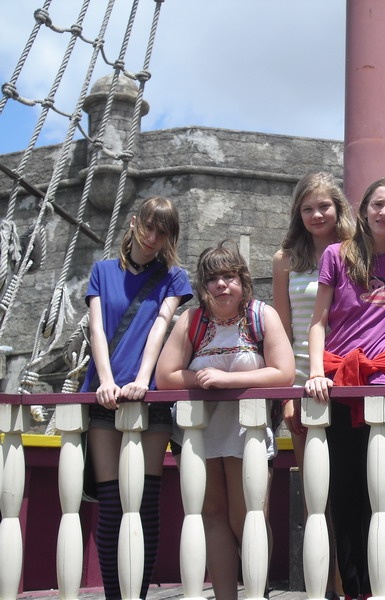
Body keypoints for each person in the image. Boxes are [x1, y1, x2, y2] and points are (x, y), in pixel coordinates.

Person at [155, 241, 295, 600]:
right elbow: (165, 376)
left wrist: (227, 380)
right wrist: (201, 380)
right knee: (213, 516)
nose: (221, 285)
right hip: (200, 434)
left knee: (247, 516)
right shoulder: (192, 321)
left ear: (242, 280)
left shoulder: (261, 316)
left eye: (229, 276)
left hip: (247, 433)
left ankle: (256, 593)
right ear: (203, 285)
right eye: (213, 278)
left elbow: (283, 372)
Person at [304, 177, 385, 600]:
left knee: (378, 496)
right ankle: (354, 592)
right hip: (337, 383)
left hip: (382, 385)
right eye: (377, 204)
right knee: (343, 493)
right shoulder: (336, 254)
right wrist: (315, 372)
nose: (384, 212)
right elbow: (318, 321)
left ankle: (376, 591)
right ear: (364, 207)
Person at [82, 196, 193, 600]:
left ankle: (139, 595)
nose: (153, 237)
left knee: (145, 504)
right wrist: (106, 381)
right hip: (104, 395)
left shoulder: (174, 278)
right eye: (148, 226)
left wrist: (144, 380)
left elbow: (161, 327)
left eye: (163, 231)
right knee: (112, 505)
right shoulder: (102, 271)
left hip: (152, 396)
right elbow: (97, 329)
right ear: (133, 222)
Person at [273, 172, 355, 600]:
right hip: (305, 385)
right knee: (316, 497)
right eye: (307, 208)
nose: (316, 215)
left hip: (348, 382)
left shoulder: (356, 252)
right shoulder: (285, 260)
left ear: (338, 208)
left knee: (350, 492)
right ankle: (323, 591)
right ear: (297, 213)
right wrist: (289, 393)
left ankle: (351, 586)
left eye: (324, 206)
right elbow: (282, 332)